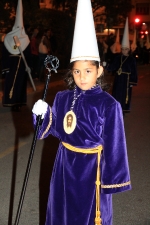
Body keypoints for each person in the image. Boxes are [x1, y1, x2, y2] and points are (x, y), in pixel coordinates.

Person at [32, 0, 131, 224]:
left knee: (87, 213)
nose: (82, 76)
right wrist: (41, 114)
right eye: (77, 71)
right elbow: (52, 129)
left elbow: (115, 144)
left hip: (91, 170)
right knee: (61, 208)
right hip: (64, 163)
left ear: (99, 71)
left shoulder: (109, 104)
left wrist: (112, 179)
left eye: (88, 70)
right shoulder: (62, 97)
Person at [1, 0, 31, 111]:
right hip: (12, 66)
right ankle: (10, 102)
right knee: (11, 84)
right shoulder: (9, 38)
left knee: (20, 85)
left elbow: (28, 54)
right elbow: (4, 53)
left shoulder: (25, 39)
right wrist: (5, 68)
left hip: (22, 66)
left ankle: (18, 102)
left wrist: (29, 66)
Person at [106, 18, 138, 113]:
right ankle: (116, 108)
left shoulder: (131, 59)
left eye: (126, 49)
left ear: (128, 50)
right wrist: (106, 65)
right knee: (117, 92)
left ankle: (124, 108)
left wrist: (132, 81)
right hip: (119, 78)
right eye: (123, 49)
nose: (124, 51)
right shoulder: (118, 58)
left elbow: (134, 71)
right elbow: (113, 66)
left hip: (127, 79)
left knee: (125, 94)